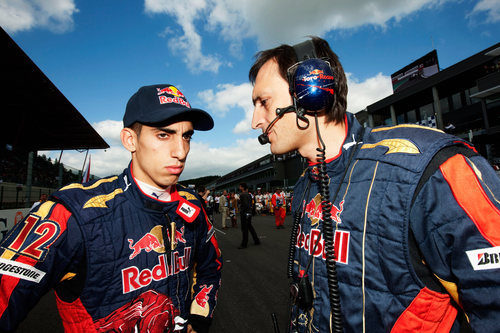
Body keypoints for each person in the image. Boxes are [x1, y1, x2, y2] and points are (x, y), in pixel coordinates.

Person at [249, 36, 500, 332]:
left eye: (263, 102)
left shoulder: (429, 167)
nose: (256, 121)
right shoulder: (306, 184)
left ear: (310, 90)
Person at [0, 84, 222, 333]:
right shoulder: (74, 212)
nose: (181, 151)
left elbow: (210, 267)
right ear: (130, 139)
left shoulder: (191, 204)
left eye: (186, 136)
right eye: (163, 135)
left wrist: (199, 317)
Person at [238, 183, 260, 249]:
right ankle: (256, 240)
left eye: (240, 186)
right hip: (249, 212)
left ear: (242, 187)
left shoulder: (242, 195)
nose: (239, 187)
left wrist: (243, 212)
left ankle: (244, 244)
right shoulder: (249, 194)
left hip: (245, 213)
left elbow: (245, 204)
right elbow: (251, 204)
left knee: (244, 229)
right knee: (250, 227)